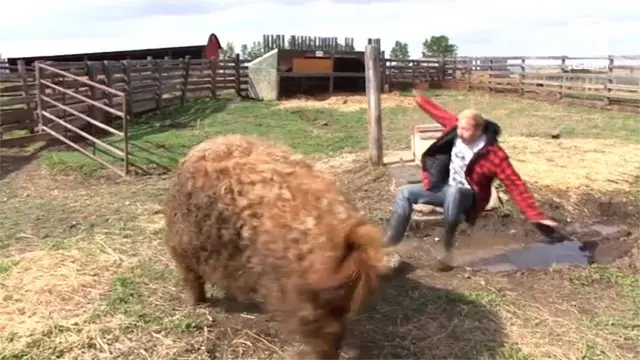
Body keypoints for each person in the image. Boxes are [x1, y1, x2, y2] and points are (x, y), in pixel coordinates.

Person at [382, 90, 559, 271]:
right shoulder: (456, 129)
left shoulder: (494, 154)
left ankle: (445, 249)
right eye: (458, 127)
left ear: (478, 130)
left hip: (469, 198)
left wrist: (535, 214)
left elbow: (515, 185)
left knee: (455, 192)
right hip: (446, 189)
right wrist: (419, 98)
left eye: (465, 129)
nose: (459, 132)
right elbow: (438, 112)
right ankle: (391, 241)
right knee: (405, 193)